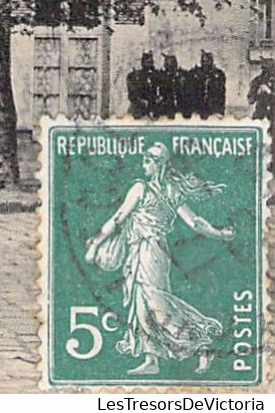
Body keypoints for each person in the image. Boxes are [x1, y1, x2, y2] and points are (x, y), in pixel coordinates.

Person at [84, 142, 235, 376]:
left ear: (161, 164)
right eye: (144, 157)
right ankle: (151, 359)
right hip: (140, 252)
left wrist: (219, 234)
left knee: (157, 305)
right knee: (141, 306)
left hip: (152, 251)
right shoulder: (148, 189)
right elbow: (118, 218)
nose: (144, 161)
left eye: (150, 158)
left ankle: (202, 346)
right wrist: (97, 241)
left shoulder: (150, 190)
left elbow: (194, 222)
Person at [190, 52, 226, 118]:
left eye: (207, 61)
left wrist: (219, 111)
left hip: (213, 110)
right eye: (203, 61)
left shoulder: (218, 74)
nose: (205, 63)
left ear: (211, 61)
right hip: (198, 109)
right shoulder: (195, 73)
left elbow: (221, 94)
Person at [127, 52, 161, 119]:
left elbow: (161, 89)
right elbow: (132, 94)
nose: (150, 64)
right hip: (139, 110)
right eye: (148, 62)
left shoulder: (156, 74)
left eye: (151, 62)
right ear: (143, 63)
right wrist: (141, 102)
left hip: (154, 108)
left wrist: (158, 99)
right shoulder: (135, 76)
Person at [156, 54, 183, 119]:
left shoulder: (181, 75)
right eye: (168, 65)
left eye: (172, 65)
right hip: (165, 107)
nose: (170, 69)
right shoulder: (161, 76)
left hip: (180, 107)